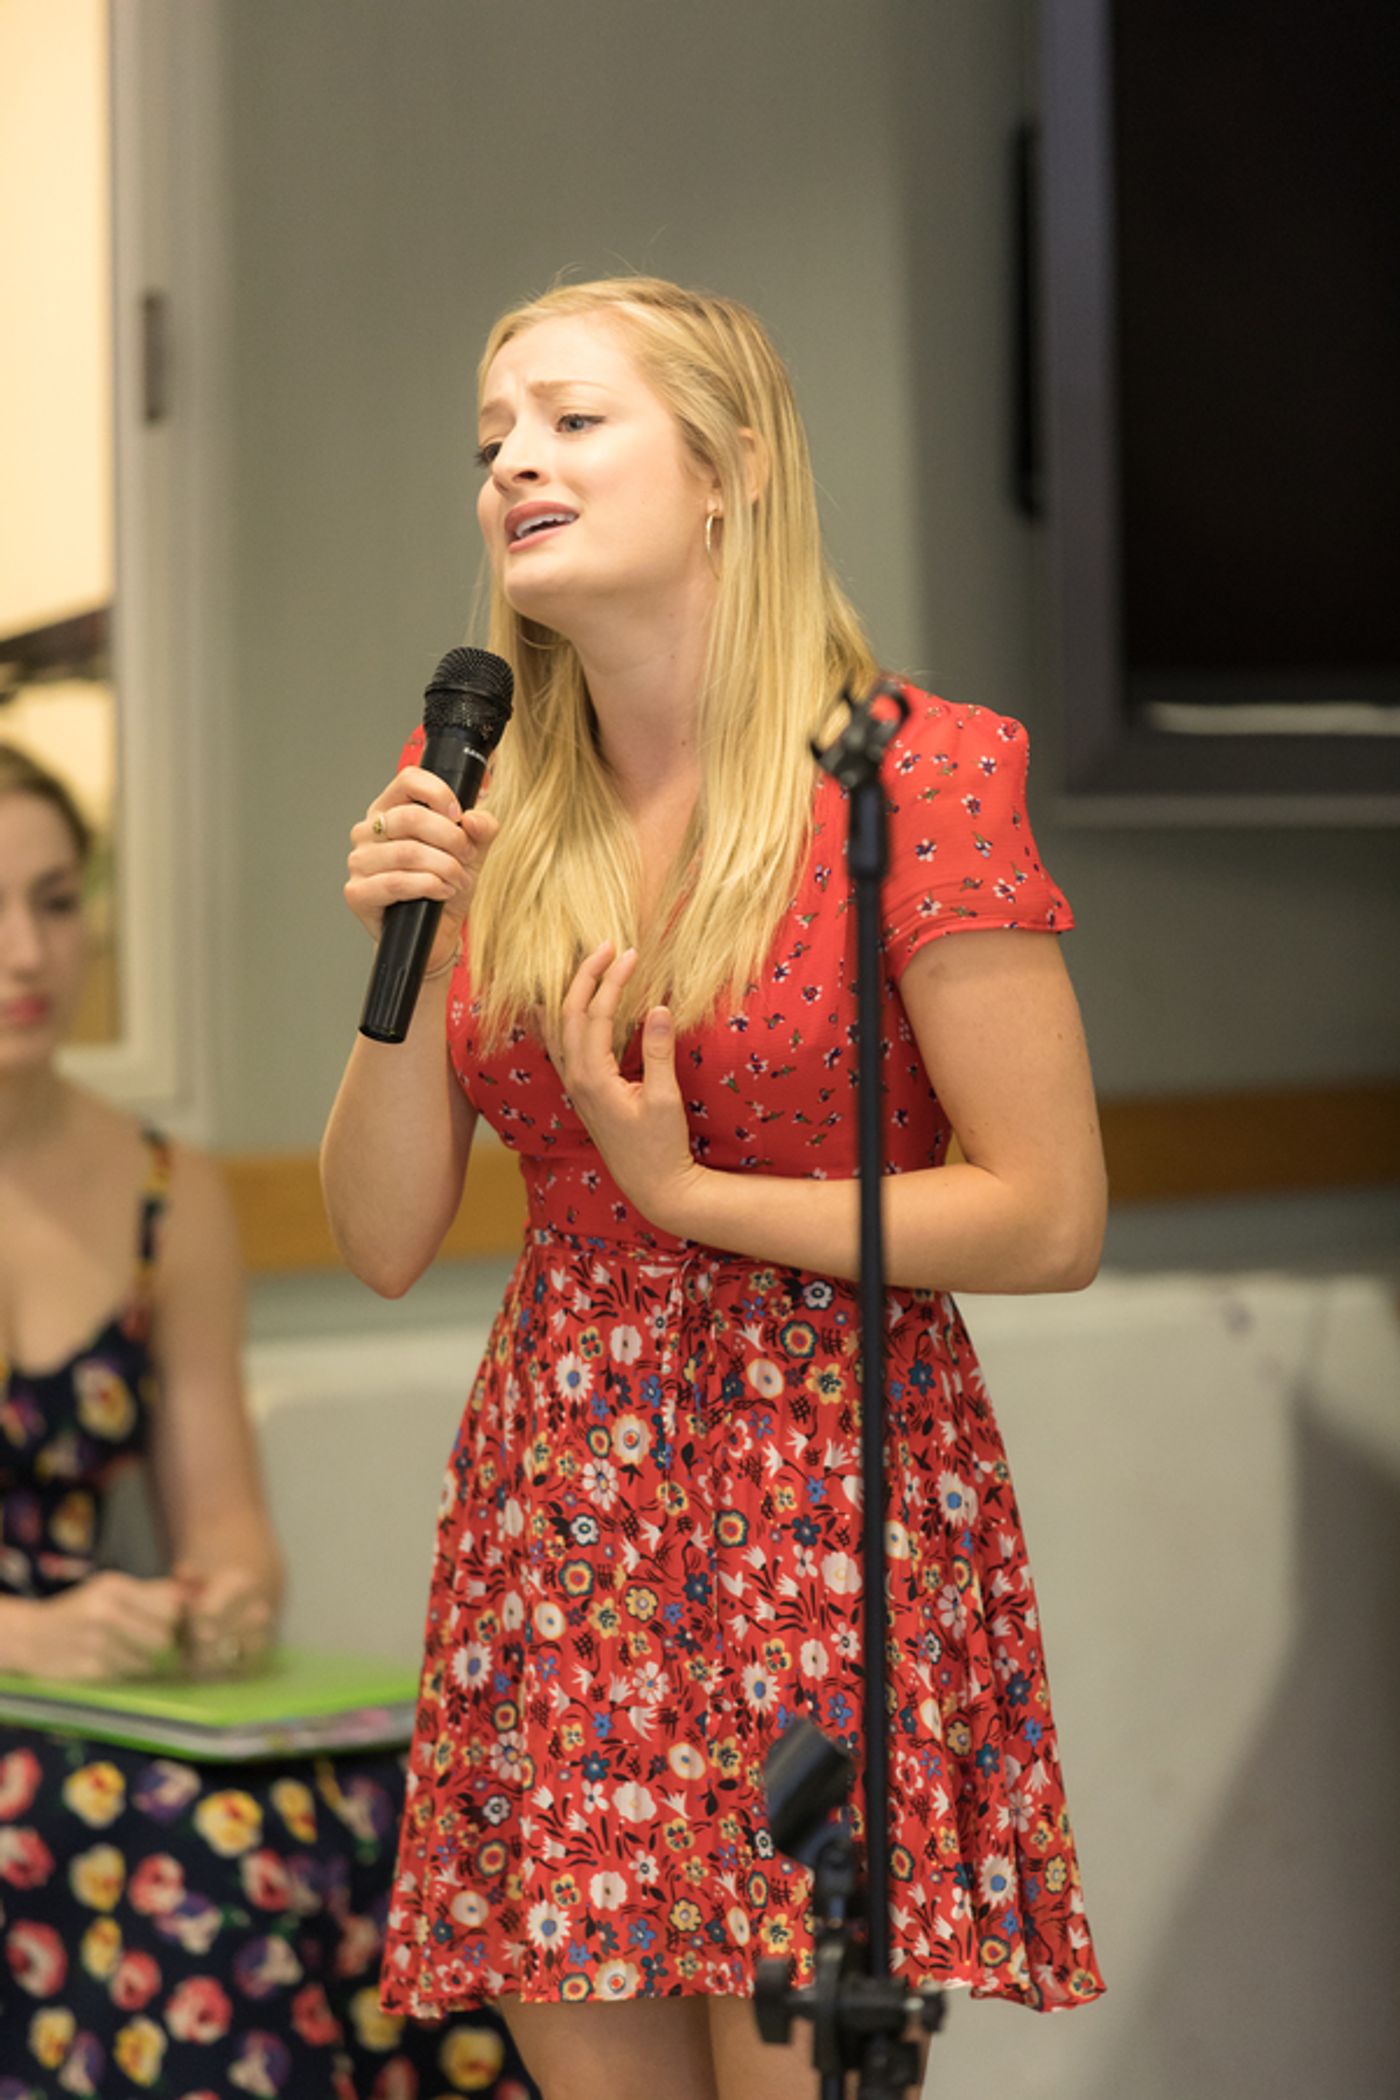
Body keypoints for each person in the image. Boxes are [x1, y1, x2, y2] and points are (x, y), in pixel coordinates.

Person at [321, 276, 1109, 2100]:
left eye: (574, 420)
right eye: (493, 437)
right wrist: (397, 947)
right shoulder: (488, 799)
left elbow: (1050, 1216)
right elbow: (374, 1241)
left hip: (820, 1501)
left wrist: (694, 1197)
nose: (514, 459)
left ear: (732, 470)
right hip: (563, 1518)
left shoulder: (919, 775)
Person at [0, 742, 535, 2099]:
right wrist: (29, 1633)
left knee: (412, 1805)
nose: (25, 952)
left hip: (88, 1696)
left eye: (57, 903)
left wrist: (218, 1600)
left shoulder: (158, 1188)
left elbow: (232, 1525)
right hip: (49, 1706)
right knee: (192, 1836)